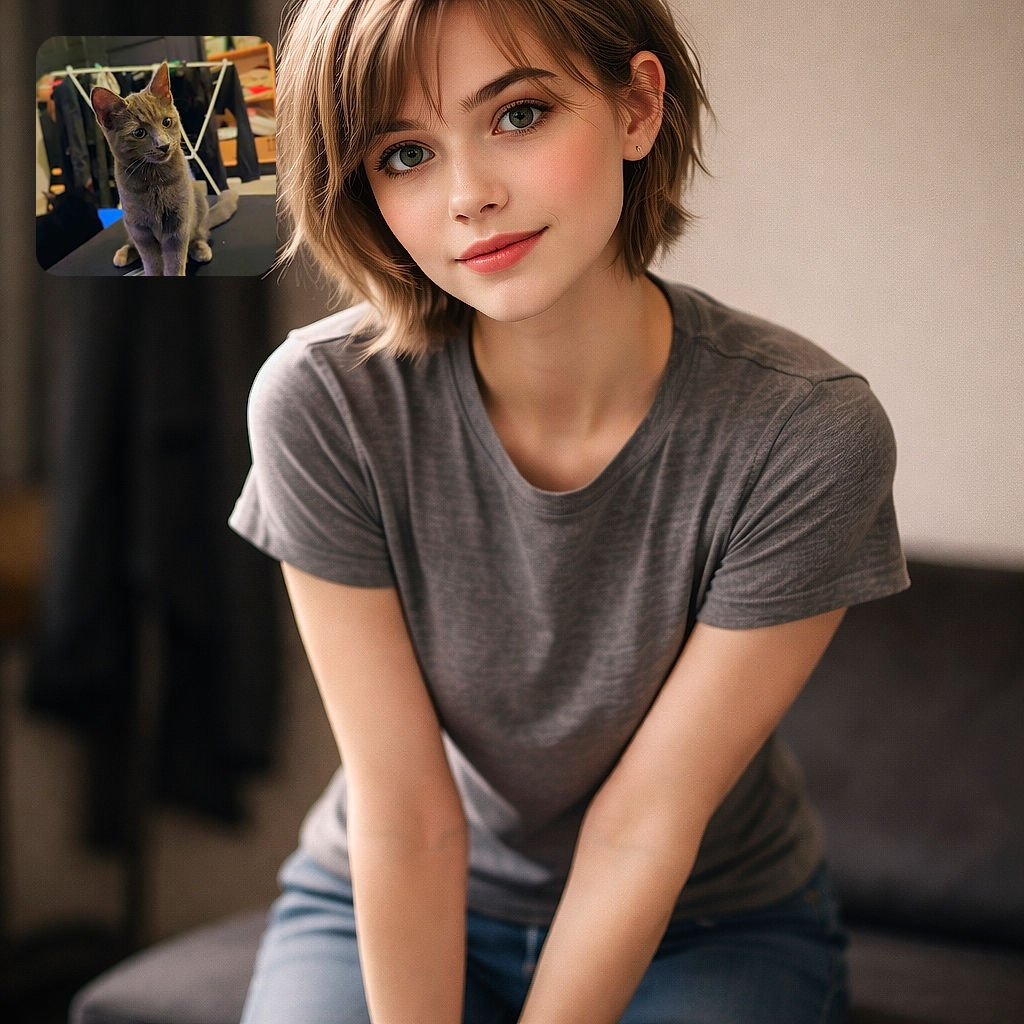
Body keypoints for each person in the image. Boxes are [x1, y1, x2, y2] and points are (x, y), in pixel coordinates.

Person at [229, 1, 910, 1021]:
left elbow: (646, 824)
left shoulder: (805, 431)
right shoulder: (324, 402)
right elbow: (408, 814)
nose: (469, 195)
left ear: (636, 107)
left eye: (518, 115)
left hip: (709, 915)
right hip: (384, 884)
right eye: (405, 152)